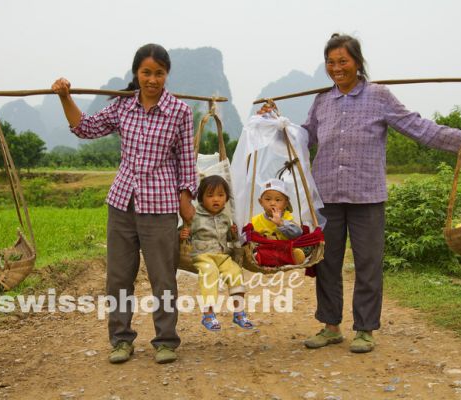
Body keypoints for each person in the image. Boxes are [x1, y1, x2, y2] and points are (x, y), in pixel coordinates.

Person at [261, 34, 461, 354]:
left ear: (357, 62)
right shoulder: (322, 100)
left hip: (367, 196)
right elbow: (303, 137)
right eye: (330, 62)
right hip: (327, 196)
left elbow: (417, 126)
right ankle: (330, 326)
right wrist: (275, 121)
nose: (336, 68)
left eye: (343, 61)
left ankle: (365, 329)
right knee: (326, 262)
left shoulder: (379, 96)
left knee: (367, 263)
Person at [51, 43, 196, 364]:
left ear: (167, 74)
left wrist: (186, 204)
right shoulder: (122, 107)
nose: (152, 80)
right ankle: (120, 340)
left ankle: (166, 340)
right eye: (146, 73)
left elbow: (187, 163)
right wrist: (65, 97)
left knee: (163, 277)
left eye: (159, 73)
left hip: (160, 206)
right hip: (122, 203)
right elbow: (85, 128)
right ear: (136, 73)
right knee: (118, 276)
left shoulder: (180, 112)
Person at [180, 175, 253, 331]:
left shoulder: (226, 218)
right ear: (201, 198)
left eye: (221, 195)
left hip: (222, 255)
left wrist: (232, 234)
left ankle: (239, 312)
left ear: (226, 198)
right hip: (202, 256)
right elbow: (185, 234)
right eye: (210, 195)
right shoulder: (195, 216)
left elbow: (228, 239)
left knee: (235, 272)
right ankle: (208, 314)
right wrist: (182, 235)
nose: (216, 199)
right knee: (210, 272)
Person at [251, 178, 306, 265]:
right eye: (268, 199)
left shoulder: (287, 217)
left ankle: (291, 257)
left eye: (278, 200)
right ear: (261, 202)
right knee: (258, 252)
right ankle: (262, 258)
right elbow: (250, 237)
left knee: (292, 252)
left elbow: (298, 233)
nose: (272, 203)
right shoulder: (255, 220)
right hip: (267, 250)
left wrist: (281, 223)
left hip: (283, 249)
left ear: (285, 204)